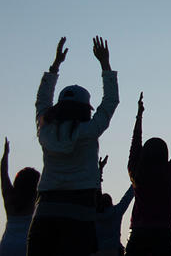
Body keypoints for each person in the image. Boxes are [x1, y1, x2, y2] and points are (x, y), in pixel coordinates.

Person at [28, 36, 119, 256]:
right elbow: (110, 102)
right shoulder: (89, 131)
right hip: (80, 212)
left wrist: (55, 66)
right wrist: (105, 64)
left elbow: (41, 100)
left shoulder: (45, 130)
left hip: (45, 212)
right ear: (85, 109)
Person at [126, 91, 171, 256]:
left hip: (139, 232)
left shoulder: (135, 173)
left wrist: (139, 116)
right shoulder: (168, 173)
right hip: (163, 234)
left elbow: (135, 144)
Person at [1, 138, 40, 256]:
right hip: (26, 246)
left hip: (7, 247)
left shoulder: (10, 201)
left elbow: (3, 173)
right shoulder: (36, 199)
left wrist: (6, 155)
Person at [94, 155, 134, 256]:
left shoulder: (94, 215)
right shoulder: (116, 212)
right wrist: (135, 178)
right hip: (114, 252)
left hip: (98, 251)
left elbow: (97, 194)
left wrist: (100, 170)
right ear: (111, 203)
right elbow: (128, 196)